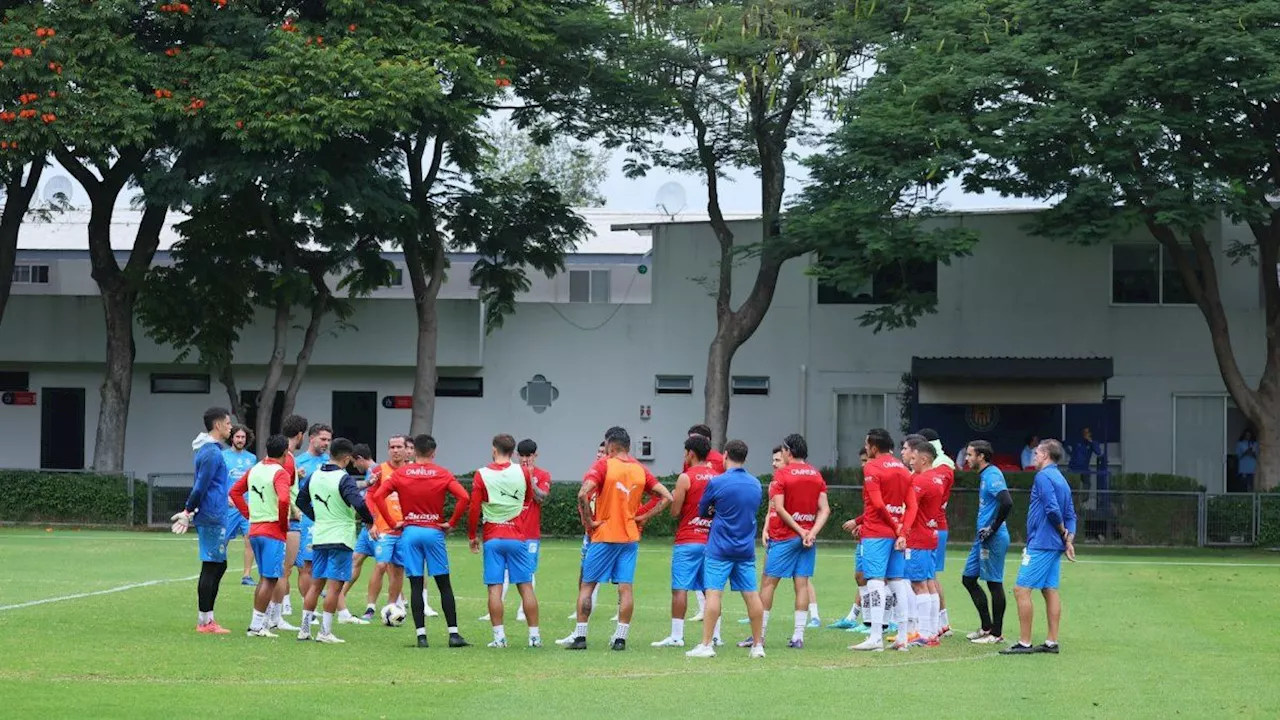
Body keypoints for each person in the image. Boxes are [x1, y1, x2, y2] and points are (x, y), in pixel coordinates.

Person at [564, 427, 672, 651]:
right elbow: (666, 497)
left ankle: (581, 637)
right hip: (629, 538)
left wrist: (589, 521)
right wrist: (642, 516)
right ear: (628, 447)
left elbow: (583, 493)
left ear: (610, 446)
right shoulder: (640, 469)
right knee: (625, 588)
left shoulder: (604, 465)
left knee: (587, 585)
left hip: (604, 535)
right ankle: (620, 638)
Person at [367, 434, 469, 648]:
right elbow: (464, 498)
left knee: (414, 584)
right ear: (433, 452)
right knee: (443, 584)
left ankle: (421, 637)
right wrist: (451, 522)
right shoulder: (442, 473)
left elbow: (377, 496)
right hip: (433, 532)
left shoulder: (402, 473)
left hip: (410, 532)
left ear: (412, 451)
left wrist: (392, 522)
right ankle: (453, 635)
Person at [685, 439, 766, 659]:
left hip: (719, 547)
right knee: (751, 595)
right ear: (745, 458)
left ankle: (706, 644)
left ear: (726, 454)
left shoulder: (717, 482)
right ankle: (758, 645)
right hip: (745, 548)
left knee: (713, 593)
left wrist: (716, 510)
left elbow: (703, 510)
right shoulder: (756, 484)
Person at [748, 433, 828, 650]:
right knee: (801, 584)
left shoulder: (782, 475)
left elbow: (779, 508)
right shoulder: (816, 475)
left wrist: (800, 530)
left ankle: (760, 635)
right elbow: (825, 509)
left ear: (789, 451)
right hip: (806, 539)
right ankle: (798, 636)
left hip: (784, 537)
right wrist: (811, 532)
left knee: (768, 584)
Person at [469, 434, 547, 648]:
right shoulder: (522, 472)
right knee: (526, 586)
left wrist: (471, 535)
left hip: (493, 536)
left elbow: (474, 508)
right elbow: (529, 498)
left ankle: (499, 638)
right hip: (518, 536)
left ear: (494, 449)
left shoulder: (482, 474)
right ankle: (534, 637)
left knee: (495, 588)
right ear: (513, 452)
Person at [295, 438, 375, 643]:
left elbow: (300, 501)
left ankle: (304, 630)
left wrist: (317, 517)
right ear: (347, 458)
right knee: (335, 586)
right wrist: (369, 521)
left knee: (316, 584)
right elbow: (358, 501)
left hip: (320, 535)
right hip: (340, 537)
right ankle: (324, 631)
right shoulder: (344, 478)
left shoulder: (314, 475)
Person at [1002, 439, 1077, 655]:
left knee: (1020, 589)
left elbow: (1053, 509)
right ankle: (1051, 642)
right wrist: (1068, 539)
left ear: (1045, 455)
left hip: (1042, 543)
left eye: (1036, 454)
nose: (1034, 457)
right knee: (1049, 589)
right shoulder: (1061, 479)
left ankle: (1025, 642)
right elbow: (1071, 513)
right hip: (1054, 545)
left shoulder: (1043, 476)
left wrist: (1062, 531)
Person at [848, 428, 916, 652]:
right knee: (897, 581)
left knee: (875, 581)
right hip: (896, 535)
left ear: (874, 447)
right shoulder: (903, 469)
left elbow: (877, 504)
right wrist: (902, 531)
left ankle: (875, 635)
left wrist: (894, 526)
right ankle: (903, 637)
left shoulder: (872, 466)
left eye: (867, 445)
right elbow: (912, 505)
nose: (866, 449)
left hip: (877, 532)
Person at [171, 406, 234, 634]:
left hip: (215, 513)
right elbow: (200, 485)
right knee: (212, 566)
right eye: (227, 424)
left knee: (218, 565)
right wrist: (188, 511)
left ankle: (208, 618)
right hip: (210, 517)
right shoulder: (211, 453)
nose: (230, 427)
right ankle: (205, 622)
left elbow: (212, 484)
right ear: (217, 425)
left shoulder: (212, 451)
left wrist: (223, 498)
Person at [652, 434, 719, 648]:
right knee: (711, 589)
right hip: (711, 540)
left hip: (688, 539)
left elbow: (674, 511)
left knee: (680, 588)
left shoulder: (686, 477)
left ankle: (677, 636)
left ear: (691, 453)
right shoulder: (717, 477)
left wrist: (675, 497)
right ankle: (716, 635)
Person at [229, 433, 293, 638]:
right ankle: (256, 626)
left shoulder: (254, 469)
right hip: (272, 530)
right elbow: (284, 500)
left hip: (255, 529)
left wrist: (249, 514)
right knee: (270, 578)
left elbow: (234, 492)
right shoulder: (280, 472)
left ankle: (258, 624)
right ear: (285, 452)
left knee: (265, 578)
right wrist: (283, 524)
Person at [484, 439, 551, 624]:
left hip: (529, 532)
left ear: (535, 456)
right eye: (521, 455)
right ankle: (495, 609)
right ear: (516, 455)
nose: (525, 459)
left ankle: (523, 610)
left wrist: (530, 479)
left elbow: (542, 498)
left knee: (527, 573)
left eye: (529, 455)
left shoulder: (542, 475)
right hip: (508, 529)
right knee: (501, 572)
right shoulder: (509, 473)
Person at [964, 440, 1014, 645]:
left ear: (981, 456)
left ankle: (997, 633)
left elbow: (1007, 502)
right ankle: (986, 627)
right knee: (968, 579)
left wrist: (992, 528)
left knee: (994, 583)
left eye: (969, 455)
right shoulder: (984, 476)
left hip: (993, 538)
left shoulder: (992, 474)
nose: (966, 459)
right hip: (982, 539)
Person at [363, 435, 412, 622]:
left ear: (407, 449)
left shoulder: (411, 471)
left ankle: (392, 605)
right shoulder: (379, 470)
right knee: (381, 564)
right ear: (388, 449)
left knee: (399, 568)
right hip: (383, 527)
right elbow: (369, 496)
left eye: (399, 446)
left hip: (405, 528)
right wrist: (372, 522)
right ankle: (370, 607)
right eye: (392, 447)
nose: (396, 450)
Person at [904, 440, 947, 647]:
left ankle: (924, 632)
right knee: (929, 582)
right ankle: (931, 632)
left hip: (918, 538)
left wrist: (902, 532)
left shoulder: (921, 481)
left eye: (913, 459)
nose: (911, 463)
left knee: (918, 584)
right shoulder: (938, 479)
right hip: (931, 534)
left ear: (924, 458)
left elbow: (909, 509)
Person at [270, 413, 309, 632]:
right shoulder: (288, 457)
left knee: (281, 569)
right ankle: (275, 617)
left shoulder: (282, 456)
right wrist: (293, 510)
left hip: (279, 517)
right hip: (287, 519)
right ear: (301, 434)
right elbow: (281, 489)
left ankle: (270, 616)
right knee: (283, 570)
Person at [292, 423, 333, 618]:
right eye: (323, 439)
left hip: (328, 521)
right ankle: (310, 611)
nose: (326, 443)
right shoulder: (299, 462)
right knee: (306, 566)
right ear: (312, 438)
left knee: (325, 565)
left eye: (328, 440)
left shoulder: (330, 462)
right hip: (307, 521)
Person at [830, 447, 870, 631]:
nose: (863, 464)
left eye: (866, 460)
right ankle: (854, 616)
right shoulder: (868, 480)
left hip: (878, 535)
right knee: (861, 576)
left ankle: (878, 622)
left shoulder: (880, 477)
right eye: (862, 461)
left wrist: (858, 522)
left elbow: (882, 507)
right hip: (868, 532)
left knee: (879, 579)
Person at [340, 443, 378, 624]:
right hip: (366, 526)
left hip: (378, 526)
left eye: (355, 463)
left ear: (360, 459)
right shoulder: (370, 475)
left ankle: (381, 605)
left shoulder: (377, 471)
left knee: (387, 566)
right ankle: (339, 598)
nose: (355, 467)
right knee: (356, 559)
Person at [222, 425, 258, 586]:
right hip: (229, 505)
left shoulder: (251, 458)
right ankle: (216, 571)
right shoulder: (223, 456)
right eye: (238, 437)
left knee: (250, 540)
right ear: (232, 438)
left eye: (243, 437)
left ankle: (247, 576)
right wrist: (224, 497)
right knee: (222, 541)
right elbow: (219, 481)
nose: (240, 440)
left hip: (247, 505)